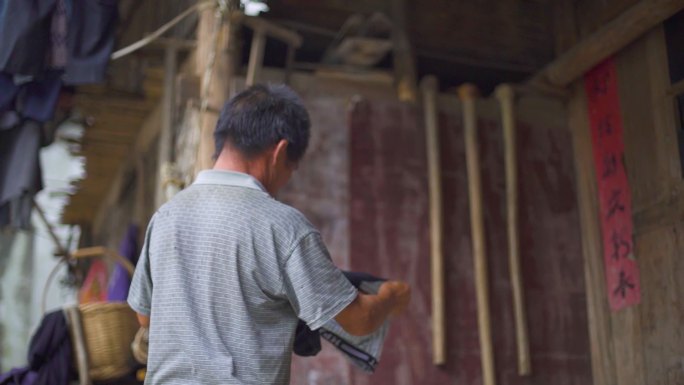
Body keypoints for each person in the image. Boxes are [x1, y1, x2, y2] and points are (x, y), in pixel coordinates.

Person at [128, 84, 411, 385]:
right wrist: (390, 298)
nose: (286, 179)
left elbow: (146, 317)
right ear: (281, 151)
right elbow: (358, 319)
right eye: (292, 169)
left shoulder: (166, 216)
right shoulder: (283, 226)